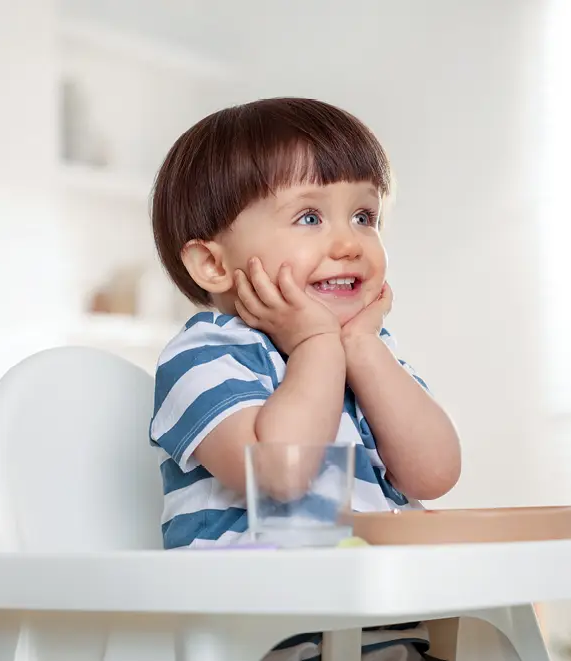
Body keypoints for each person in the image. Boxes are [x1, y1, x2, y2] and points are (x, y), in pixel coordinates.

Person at [148, 97, 462, 661]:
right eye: (310, 217)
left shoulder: (364, 355)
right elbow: (283, 474)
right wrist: (318, 345)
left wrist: (362, 348)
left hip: (385, 630)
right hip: (266, 640)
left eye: (365, 217)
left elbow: (434, 473)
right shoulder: (205, 356)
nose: (349, 243)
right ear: (215, 266)